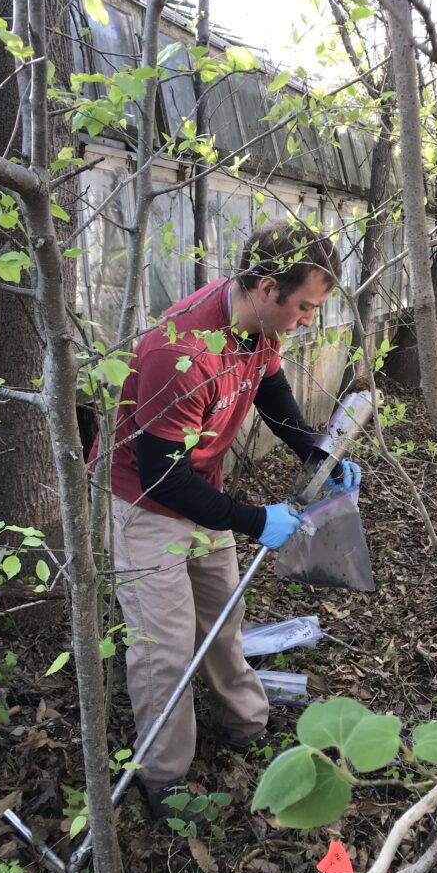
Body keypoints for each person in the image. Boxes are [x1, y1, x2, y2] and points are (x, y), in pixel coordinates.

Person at [96, 217, 361, 818]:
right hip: (145, 504)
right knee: (164, 647)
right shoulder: (180, 350)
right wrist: (250, 518)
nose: (308, 320)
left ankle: (245, 724)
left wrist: (316, 453)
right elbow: (161, 474)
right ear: (267, 289)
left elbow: (272, 392)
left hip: (201, 491)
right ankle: (163, 780)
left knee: (222, 615)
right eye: (304, 306)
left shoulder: (259, 330)